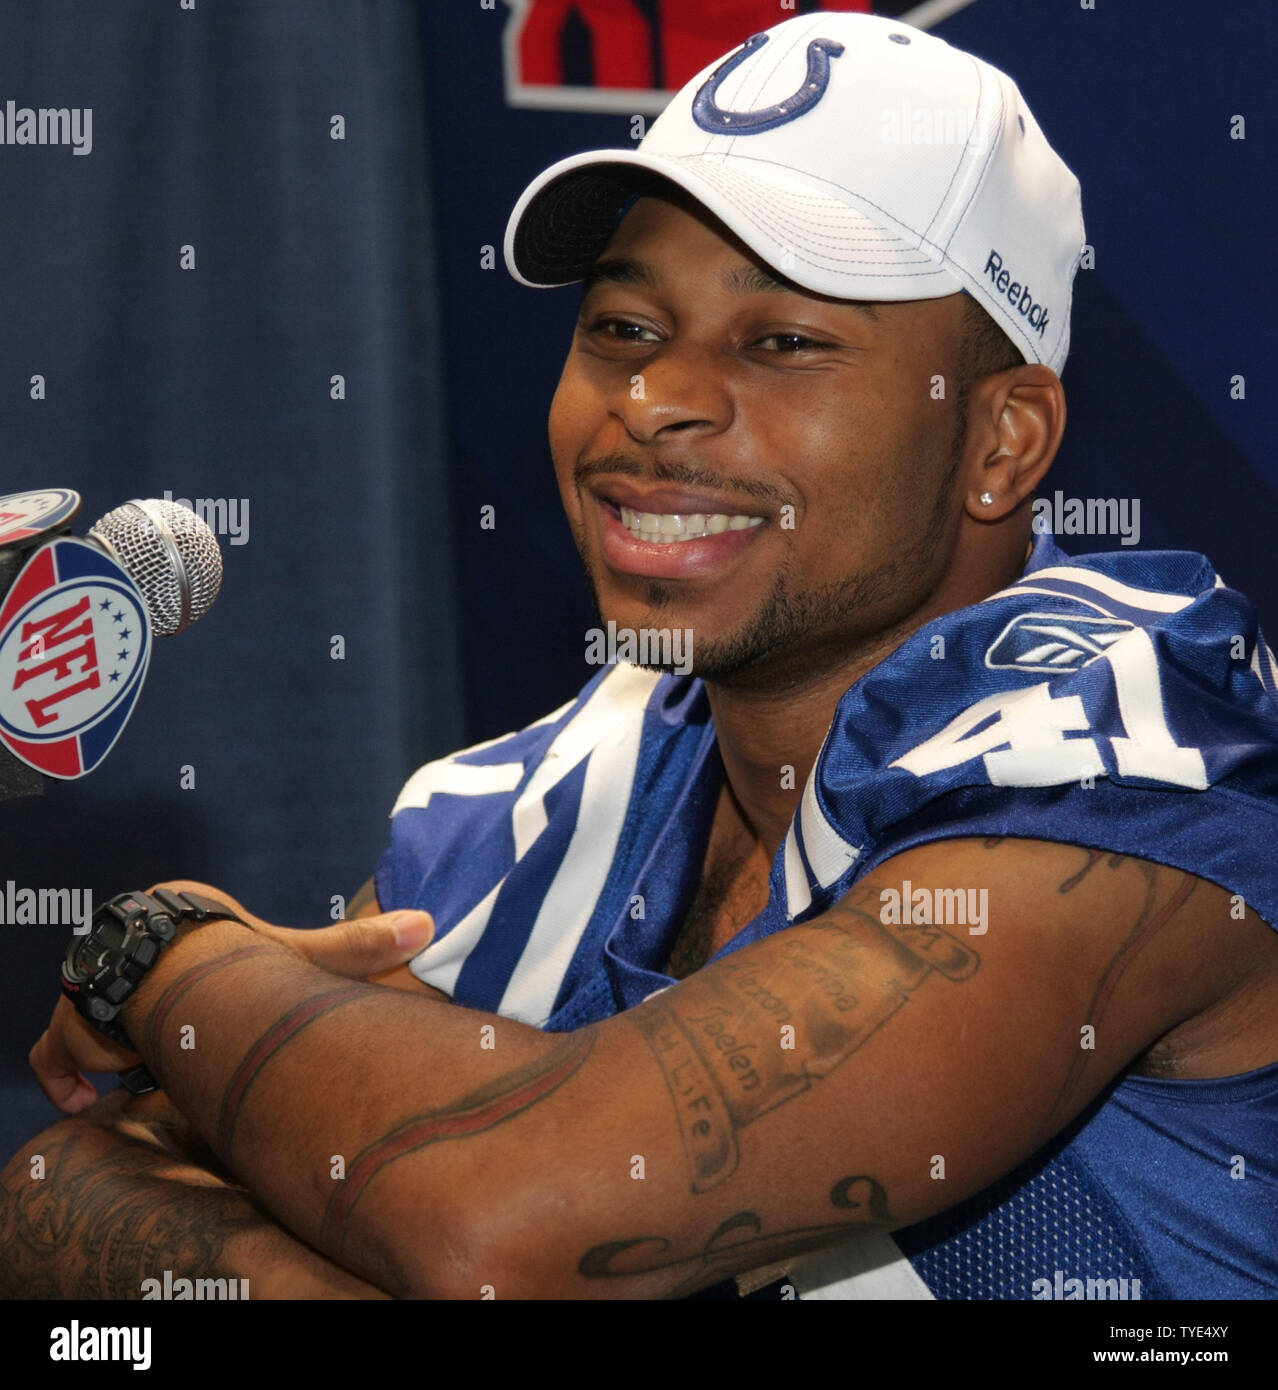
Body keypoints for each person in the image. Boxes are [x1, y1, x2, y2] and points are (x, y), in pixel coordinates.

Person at [6, 12, 1278, 1301]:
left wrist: (167, 958)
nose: (655, 397)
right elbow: (61, 1189)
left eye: (783, 342)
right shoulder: (530, 803)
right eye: (622, 326)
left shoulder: (1135, 766)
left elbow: (501, 1218)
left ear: (1002, 443)